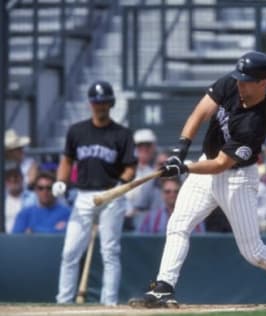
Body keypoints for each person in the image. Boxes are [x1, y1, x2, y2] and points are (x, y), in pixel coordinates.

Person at [128, 51, 266, 309]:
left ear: (263, 83)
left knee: (253, 252)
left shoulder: (256, 123)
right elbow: (199, 113)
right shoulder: (232, 83)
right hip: (206, 163)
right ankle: (164, 288)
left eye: (247, 80)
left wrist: (184, 167)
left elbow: (221, 165)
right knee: (178, 224)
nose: (239, 83)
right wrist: (179, 151)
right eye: (239, 78)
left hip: (236, 178)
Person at [54, 80, 137, 306]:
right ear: (91, 103)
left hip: (111, 195)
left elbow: (130, 166)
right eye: (96, 102)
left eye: (104, 102)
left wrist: (121, 184)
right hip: (84, 195)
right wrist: (61, 181)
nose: (100, 106)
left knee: (109, 251)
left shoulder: (122, 134)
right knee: (70, 251)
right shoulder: (77, 131)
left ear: (110, 104)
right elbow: (67, 160)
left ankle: (108, 304)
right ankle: (63, 302)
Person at [138, 178, 205, 234]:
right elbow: (143, 241)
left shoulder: (193, 217)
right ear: (162, 193)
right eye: (168, 192)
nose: (172, 194)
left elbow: (199, 241)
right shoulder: (151, 217)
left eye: (176, 191)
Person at [124, 128, 159, 231]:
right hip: (123, 217)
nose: (144, 148)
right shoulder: (125, 169)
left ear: (153, 147)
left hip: (146, 221)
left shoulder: (158, 169)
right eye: (139, 145)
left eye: (147, 145)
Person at [4, 161, 36, 233]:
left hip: (26, 239)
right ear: (5, 181)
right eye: (9, 178)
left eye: (16, 176)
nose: (13, 180)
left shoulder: (34, 197)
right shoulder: (2, 200)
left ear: (22, 178)